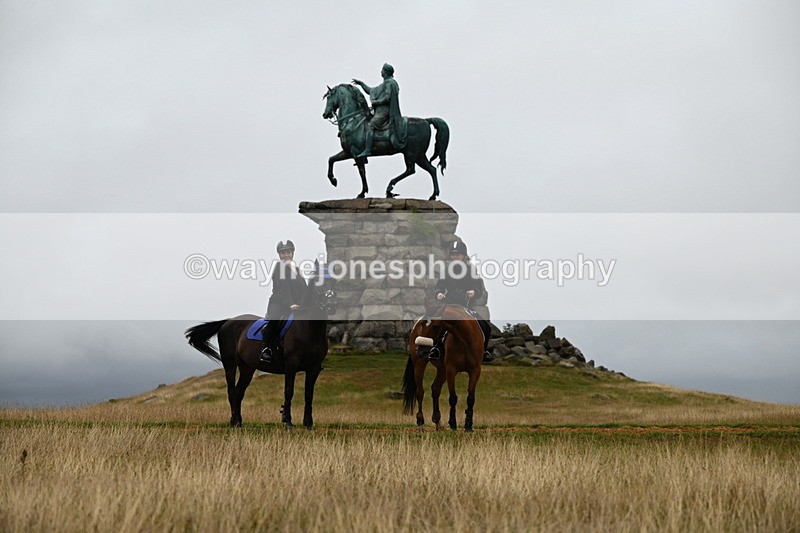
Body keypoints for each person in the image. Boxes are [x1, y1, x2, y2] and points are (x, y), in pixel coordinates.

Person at [431, 240, 493, 363]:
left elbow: (478, 287)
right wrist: (438, 293)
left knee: (486, 327)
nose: (456, 257)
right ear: (450, 256)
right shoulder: (446, 271)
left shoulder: (471, 270)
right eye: (453, 255)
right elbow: (439, 286)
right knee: (436, 324)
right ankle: (436, 348)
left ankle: (483, 352)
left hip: (465, 306)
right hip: (448, 305)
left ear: (464, 255)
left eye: (458, 254)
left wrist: (474, 292)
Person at [260, 240, 307, 364]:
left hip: (296, 305)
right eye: (283, 253)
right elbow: (283, 289)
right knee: (274, 320)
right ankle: (266, 348)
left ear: (292, 253)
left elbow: (304, 288)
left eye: (288, 252)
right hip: (279, 303)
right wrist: (290, 304)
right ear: (279, 255)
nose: (286, 255)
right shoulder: (279, 268)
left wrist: (305, 303)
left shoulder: (296, 269)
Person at [351, 63, 406, 158]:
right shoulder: (385, 84)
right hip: (379, 113)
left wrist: (376, 102)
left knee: (370, 125)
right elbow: (371, 90)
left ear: (385, 72)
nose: (381, 71)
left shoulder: (390, 83)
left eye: (382, 70)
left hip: (384, 113)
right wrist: (361, 84)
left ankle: (368, 150)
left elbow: (387, 97)